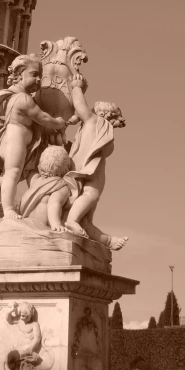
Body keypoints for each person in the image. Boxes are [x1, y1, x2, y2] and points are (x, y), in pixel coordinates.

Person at [0, 54, 67, 218]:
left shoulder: (16, 96)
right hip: (15, 138)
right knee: (13, 173)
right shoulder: (23, 99)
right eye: (34, 74)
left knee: (13, 175)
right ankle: (8, 209)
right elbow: (43, 118)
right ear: (19, 75)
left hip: (20, 140)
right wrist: (59, 122)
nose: (38, 79)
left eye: (40, 75)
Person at [63, 73, 127, 246]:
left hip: (90, 166)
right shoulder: (93, 121)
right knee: (91, 195)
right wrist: (76, 86)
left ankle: (106, 241)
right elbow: (80, 104)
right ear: (107, 115)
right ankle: (71, 220)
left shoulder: (97, 126)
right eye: (115, 119)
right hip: (88, 167)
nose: (117, 123)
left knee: (89, 214)